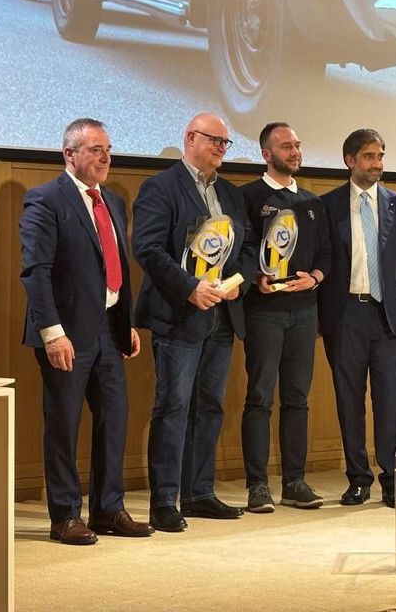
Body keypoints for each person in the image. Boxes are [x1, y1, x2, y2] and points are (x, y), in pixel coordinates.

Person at [19, 118, 153, 545]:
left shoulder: (113, 201)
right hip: (66, 334)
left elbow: (117, 268)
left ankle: (108, 509)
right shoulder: (45, 199)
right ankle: (64, 516)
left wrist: (125, 321)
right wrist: (52, 333)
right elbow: (36, 272)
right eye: (96, 150)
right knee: (64, 423)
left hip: (109, 331)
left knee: (114, 419)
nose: (105, 157)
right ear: (69, 154)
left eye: (108, 150)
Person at [133, 113, 256, 532]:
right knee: (173, 407)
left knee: (211, 406)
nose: (221, 148)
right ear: (190, 138)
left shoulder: (231, 193)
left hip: (222, 315)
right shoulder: (161, 187)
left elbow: (248, 248)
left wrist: (239, 283)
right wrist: (189, 288)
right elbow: (147, 249)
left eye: (226, 142)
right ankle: (164, 501)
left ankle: (199, 492)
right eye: (214, 140)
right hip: (180, 314)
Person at [318, 129, 396, 508]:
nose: (377, 163)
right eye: (369, 156)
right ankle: (358, 479)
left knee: (391, 403)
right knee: (349, 401)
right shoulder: (327, 205)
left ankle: (393, 481)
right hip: (345, 314)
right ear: (350, 160)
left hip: (389, 317)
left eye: (380, 156)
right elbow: (321, 261)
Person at [239, 122, 332, 513]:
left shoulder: (312, 201)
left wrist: (315, 277)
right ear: (266, 154)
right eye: (285, 146)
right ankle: (257, 485)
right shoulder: (247, 196)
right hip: (264, 312)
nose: (294, 152)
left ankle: (294, 482)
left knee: (297, 398)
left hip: (304, 311)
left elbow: (326, 254)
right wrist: (254, 277)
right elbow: (240, 249)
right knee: (260, 397)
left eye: (297, 145)